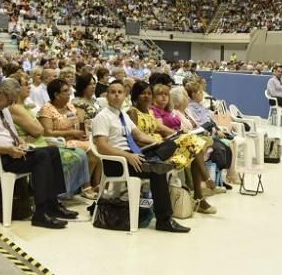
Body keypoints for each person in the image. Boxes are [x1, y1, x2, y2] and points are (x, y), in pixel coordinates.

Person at [0, 78, 78, 229]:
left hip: (10, 152)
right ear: (2, 93)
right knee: (42, 157)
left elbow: (11, 134)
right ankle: (41, 212)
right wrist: (8, 150)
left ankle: (53, 204)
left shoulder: (4, 109)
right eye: (10, 100)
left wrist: (21, 143)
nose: (11, 104)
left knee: (52, 151)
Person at [92, 80, 190, 233]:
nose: (117, 95)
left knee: (172, 144)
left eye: (120, 92)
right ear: (107, 96)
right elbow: (102, 147)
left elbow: (139, 135)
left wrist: (160, 142)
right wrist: (127, 156)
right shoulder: (103, 117)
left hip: (134, 155)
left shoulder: (122, 115)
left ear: (125, 95)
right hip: (118, 161)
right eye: (113, 92)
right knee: (158, 171)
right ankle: (164, 220)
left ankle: (156, 159)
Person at [129, 81, 216, 214]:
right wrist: (159, 142)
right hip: (149, 150)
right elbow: (136, 138)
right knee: (193, 144)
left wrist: (175, 135)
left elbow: (157, 128)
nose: (146, 96)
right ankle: (204, 184)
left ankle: (199, 195)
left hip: (161, 145)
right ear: (136, 96)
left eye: (148, 93)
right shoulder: (132, 112)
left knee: (194, 147)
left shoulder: (149, 112)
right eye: (142, 94)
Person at [37, 77, 100, 200]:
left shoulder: (70, 106)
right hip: (58, 142)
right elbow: (47, 132)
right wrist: (71, 132)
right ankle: (86, 187)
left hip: (74, 138)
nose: (69, 93)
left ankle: (95, 183)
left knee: (99, 146)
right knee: (91, 150)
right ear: (56, 94)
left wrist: (84, 128)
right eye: (65, 91)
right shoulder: (47, 109)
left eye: (69, 90)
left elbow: (77, 123)